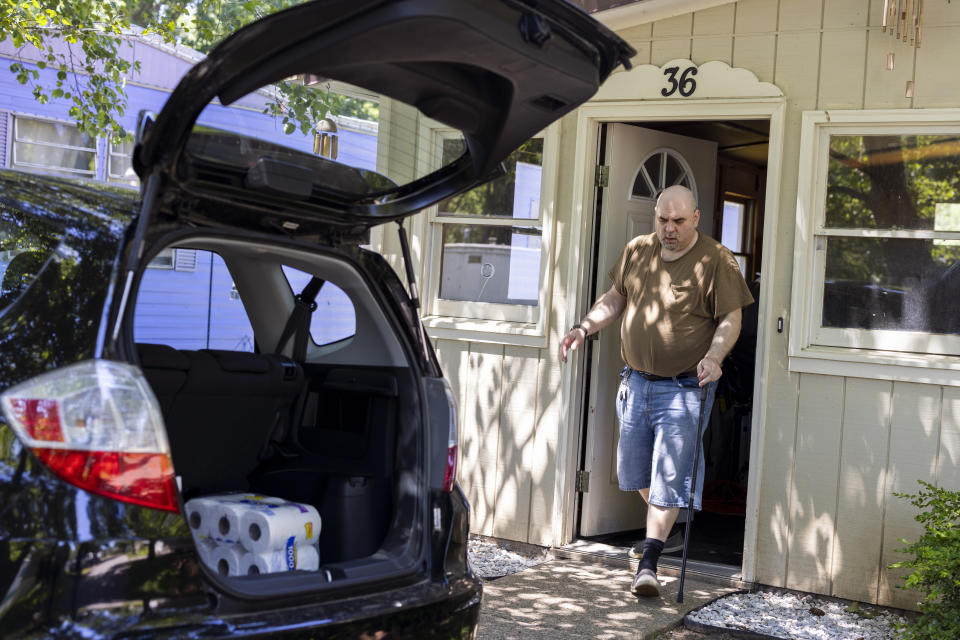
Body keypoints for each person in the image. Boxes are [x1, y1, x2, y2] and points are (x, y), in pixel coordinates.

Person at [559, 185, 754, 597]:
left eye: (678, 221)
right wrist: (583, 327)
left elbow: (730, 319)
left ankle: (648, 561)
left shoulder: (717, 260)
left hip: (685, 387)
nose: (669, 229)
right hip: (636, 382)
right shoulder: (637, 250)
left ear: (696, 218)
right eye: (663, 220)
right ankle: (666, 525)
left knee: (669, 474)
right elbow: (616, 297)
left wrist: (716, 356)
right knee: (635, 472)